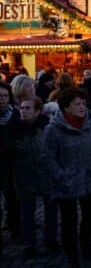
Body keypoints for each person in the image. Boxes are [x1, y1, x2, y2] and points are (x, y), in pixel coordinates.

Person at [42, 87, 91, 268]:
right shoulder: (53, 129)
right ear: (66, 107)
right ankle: (72, 255)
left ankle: (85, 242)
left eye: (84, 103)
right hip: (67, 181)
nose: (82, 107)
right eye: (77, 104)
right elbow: (47, 157)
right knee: (69, 221)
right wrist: (61, 176)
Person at [14, 97, 59, 259]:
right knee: (27, 212)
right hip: (25, 177)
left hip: (46, 175)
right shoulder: (15, 130)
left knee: (51, 210)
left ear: (37, 111)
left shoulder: (47, 128)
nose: (23, 111)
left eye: (27, 108)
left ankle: (50, 240)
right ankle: (29, 243)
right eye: (22, 108)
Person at [0, 82, 21, 250]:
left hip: (12, 163)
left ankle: (15, 230)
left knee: (12, 198)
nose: (2, 99)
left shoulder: (15, 114)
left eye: (5, 96)